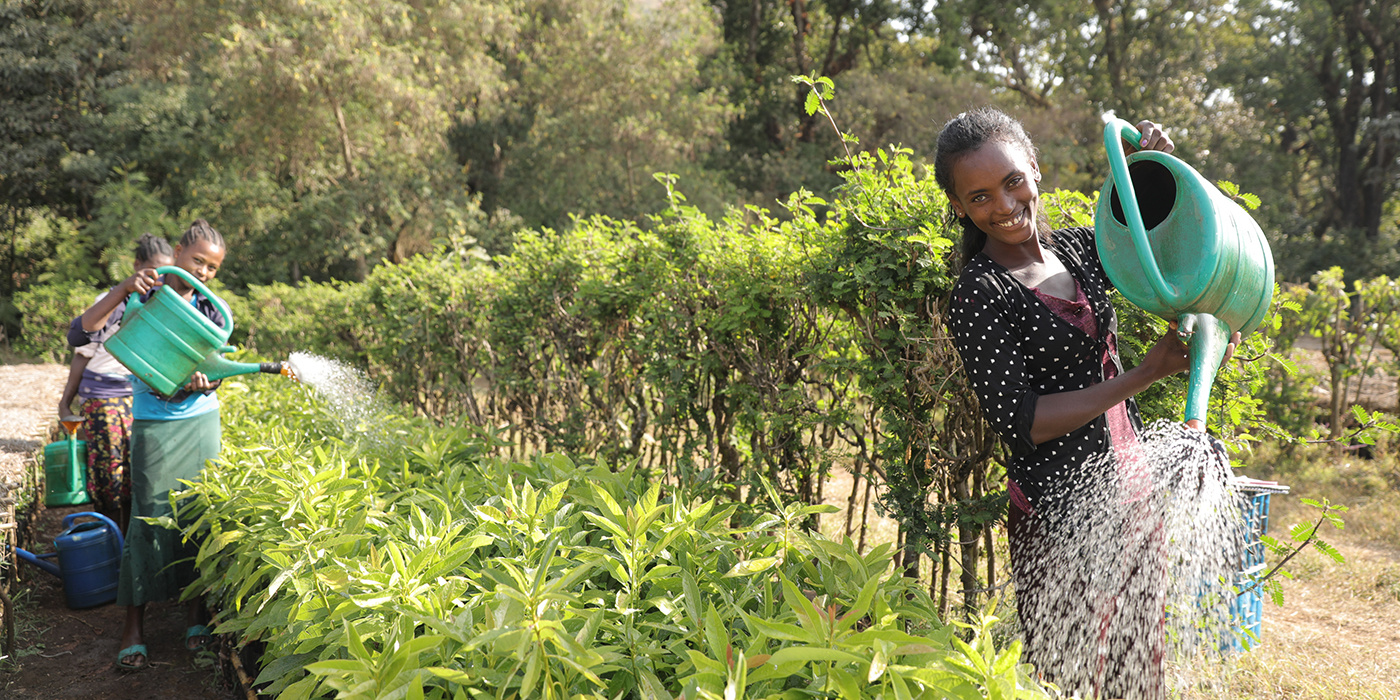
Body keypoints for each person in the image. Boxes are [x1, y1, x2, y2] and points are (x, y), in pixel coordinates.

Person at [935, 108, 1237, 699]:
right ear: (960, 208)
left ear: (1036, 170)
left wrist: (1156, 165)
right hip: (1059, 515)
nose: (1002, 204)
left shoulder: (1080, 249)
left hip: (1129, 493)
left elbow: (1168, 249)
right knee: (1068, 678)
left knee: (1133, 670)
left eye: (1012, 181)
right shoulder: (980, 293)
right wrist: (1144, 374)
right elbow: (1024, 422)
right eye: (979, 197)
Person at [68, 219, 227, 671]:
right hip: (155, 426)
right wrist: (122, 288)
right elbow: (79, 335)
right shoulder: (142, 299)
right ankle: (133, 625)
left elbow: (214, 373)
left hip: (200, 426)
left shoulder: (212, 310)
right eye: (198, 260)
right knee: (148, 518)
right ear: (178, 252)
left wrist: (203, 382)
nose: (204, 272)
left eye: (213, 267)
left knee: (198, 515)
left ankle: (196, 618)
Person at [57, 234, 175, 532]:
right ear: (138, 266)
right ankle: (111, 544)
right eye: (154, 272)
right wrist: (65, 400)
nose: (158, 280)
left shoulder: (161, 305)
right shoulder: (112, 302)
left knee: (136, 478)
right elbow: (82, 354)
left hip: (136, 395)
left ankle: (128, 546)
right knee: (110, 477)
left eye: (166, 274)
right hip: (103, 394)